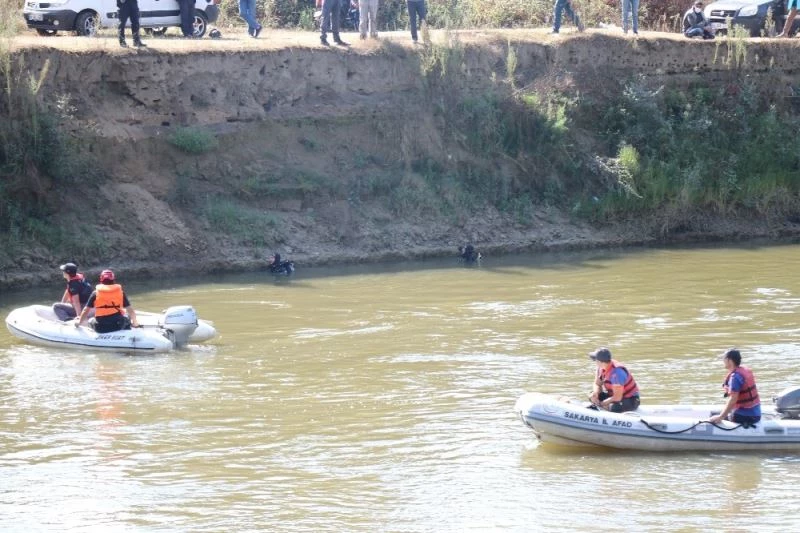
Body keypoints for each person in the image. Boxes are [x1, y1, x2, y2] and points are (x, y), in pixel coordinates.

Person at [74, 269, 140, 334]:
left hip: (101, 328)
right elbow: (130, 309)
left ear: (101, 280)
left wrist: (79, 322)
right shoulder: (121, 293)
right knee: (126, 316)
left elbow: (86, 310)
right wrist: (135, 323)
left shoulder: (95, 293)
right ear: (113, 279)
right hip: (118, 325)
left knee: (91, 320)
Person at [709, 349, 761, 427]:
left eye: (724, 358)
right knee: (714, 413)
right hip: (755, 413)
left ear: (729, 360)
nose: (723, 360)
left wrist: (721, 417)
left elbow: (733, 399)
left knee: (712, 416)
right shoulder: (744, 370)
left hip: (746, 416)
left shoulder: (735, 377)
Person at [588, 347, 641, 412]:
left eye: (595, 360)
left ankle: (604, 409)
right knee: (591, 395)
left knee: (614, 407)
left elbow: (617, 397)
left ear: (599, 362)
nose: (595, 362)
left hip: (630, 399)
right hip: (613, 396)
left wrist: (602, 403)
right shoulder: (600, 368)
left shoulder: (617, 373)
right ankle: (603, 408)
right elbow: (597, 384)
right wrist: (595, 393)